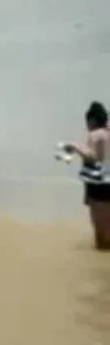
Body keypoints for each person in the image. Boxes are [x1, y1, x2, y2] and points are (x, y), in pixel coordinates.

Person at [62, 101, 110, 250]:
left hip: (97, 182)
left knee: (97, 219)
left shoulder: (95, 135)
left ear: (92, 120)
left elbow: (95, 156)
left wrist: (75, 147)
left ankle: (101, 246)